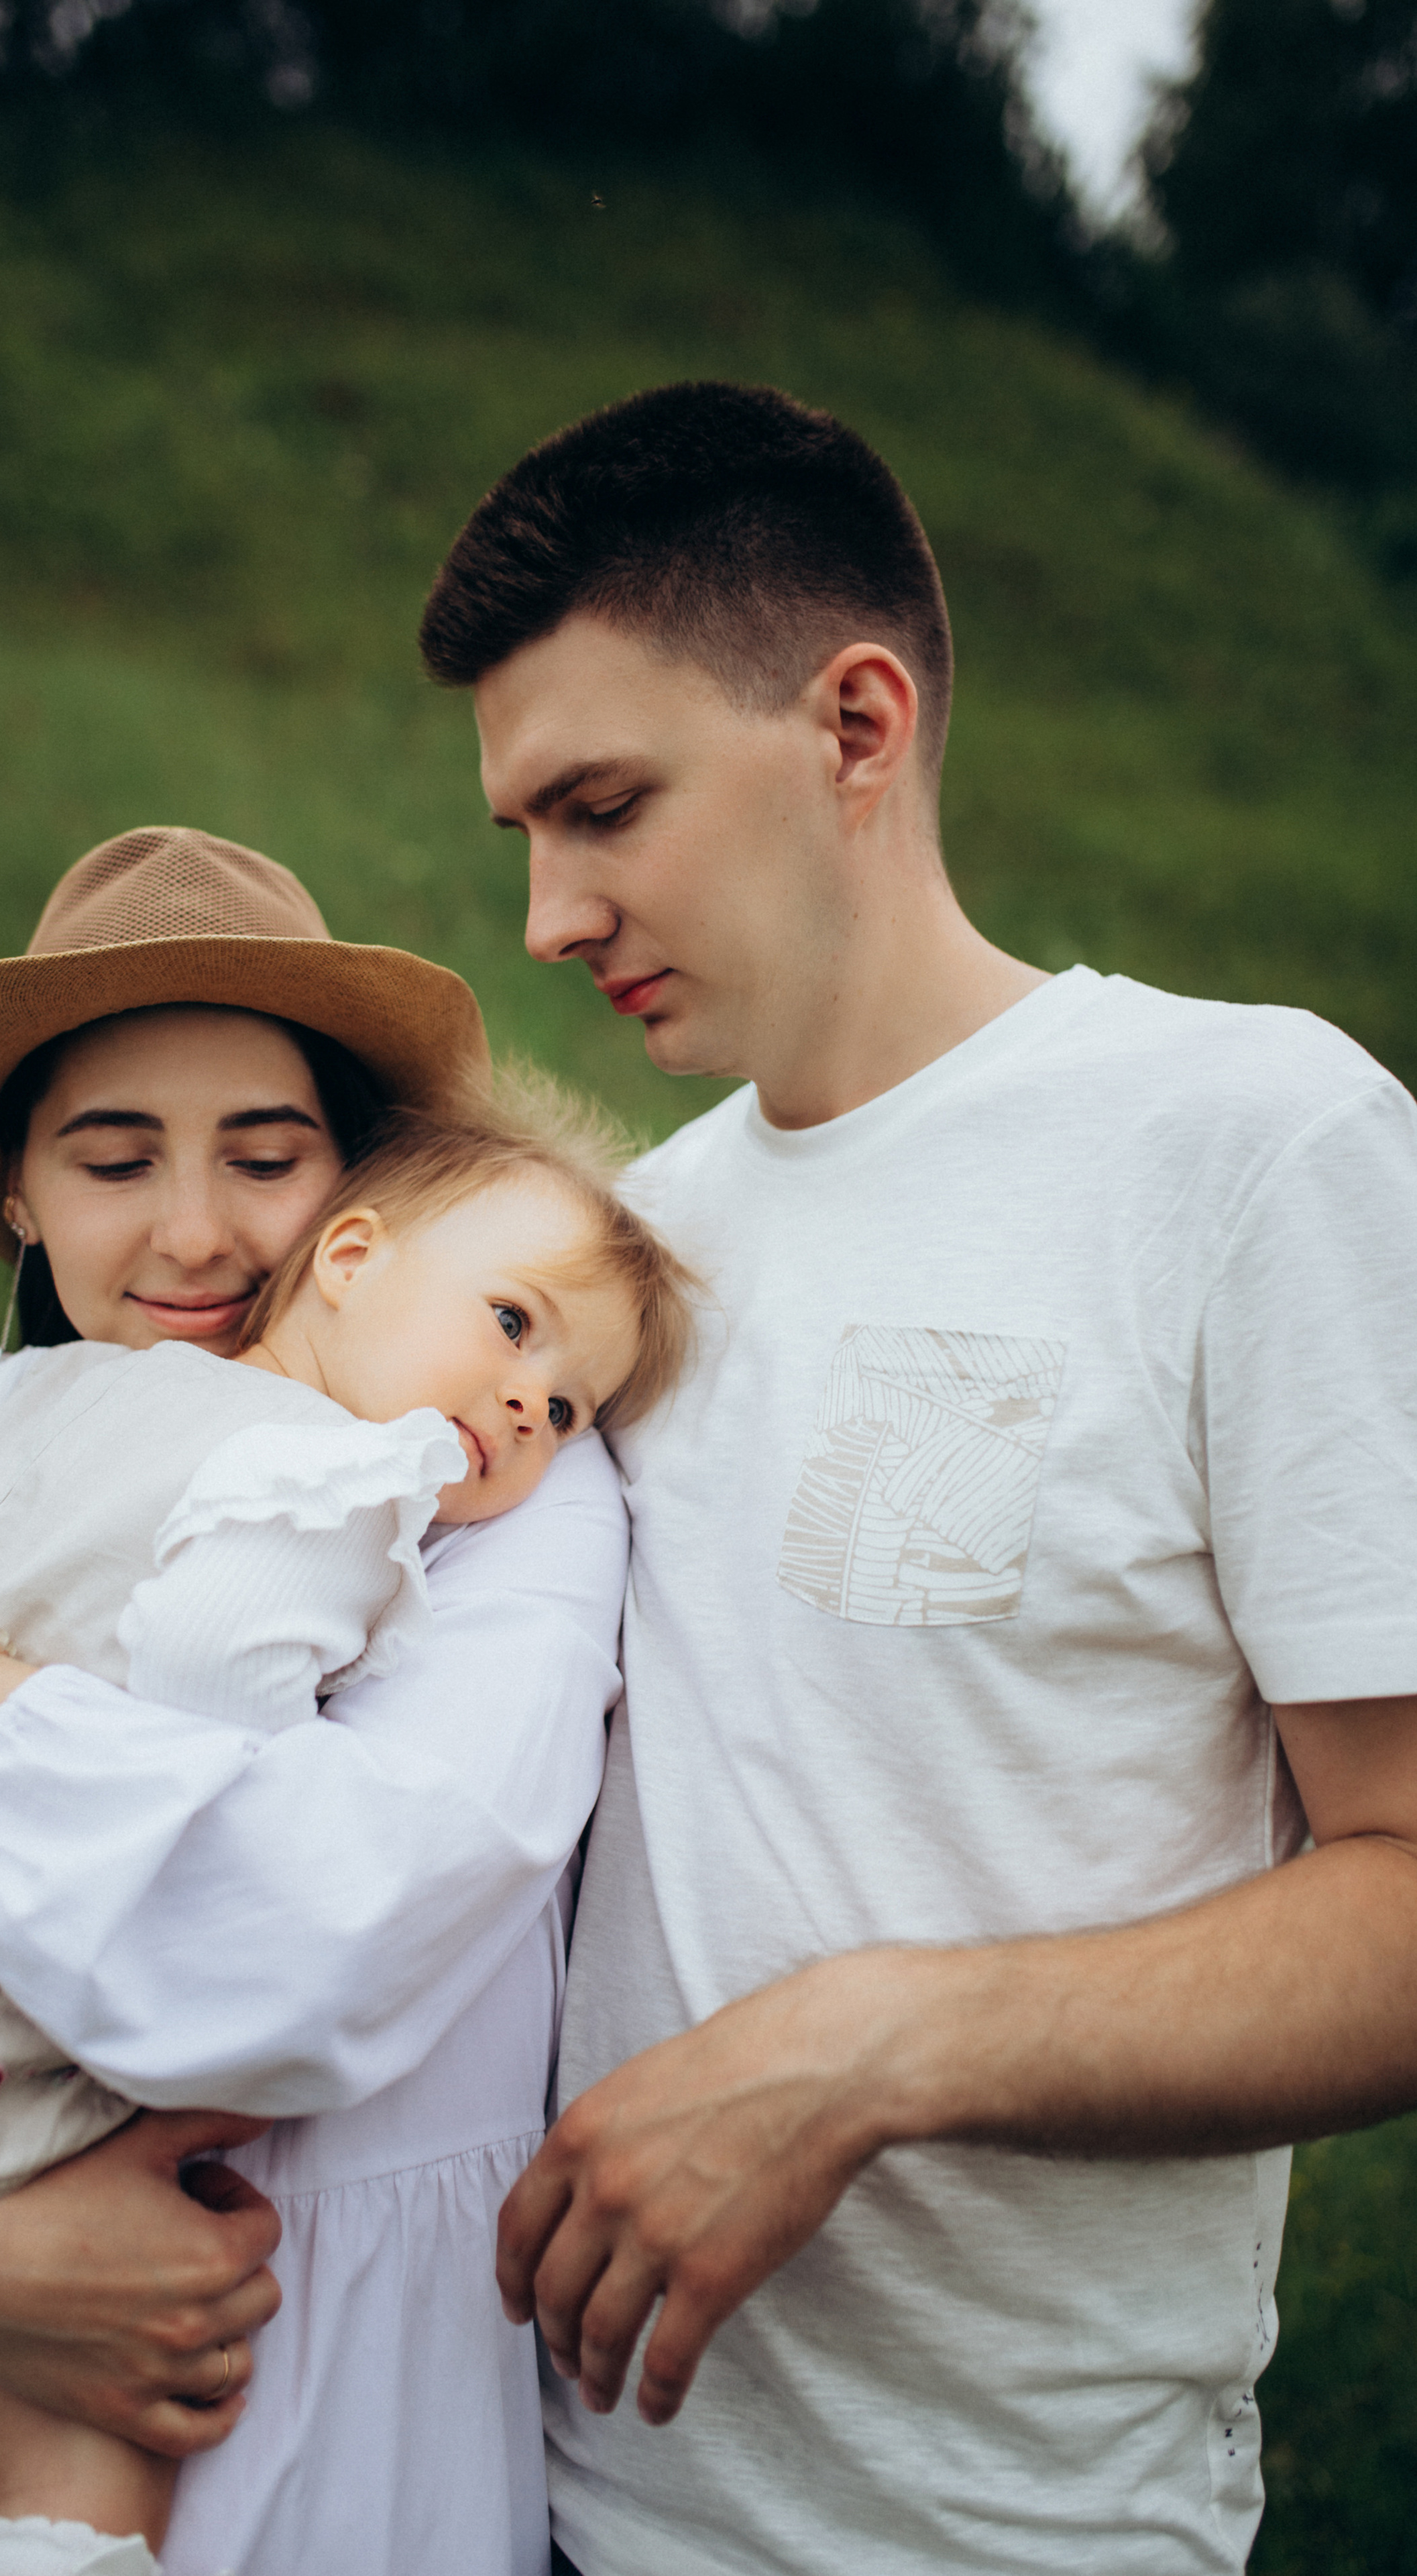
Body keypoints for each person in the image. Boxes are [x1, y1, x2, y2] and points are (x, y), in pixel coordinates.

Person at [414, 380, 1417, 2575]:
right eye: (523, 837)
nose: (552, 919)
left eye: (604, 805)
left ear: (856, 724)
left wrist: (872, 2049)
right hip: (541, 2502)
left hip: (1008, 2536)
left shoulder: (1254, 1150)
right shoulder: (624, 1255)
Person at [0, 826, 636, 2576]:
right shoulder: (3, 1427)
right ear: (21, 1204)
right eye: (113, 1161)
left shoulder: (464, 1482)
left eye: (265, 1158)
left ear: (358, 1205)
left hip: (306, 2448)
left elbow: (288, 1925)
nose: (194, 1233)